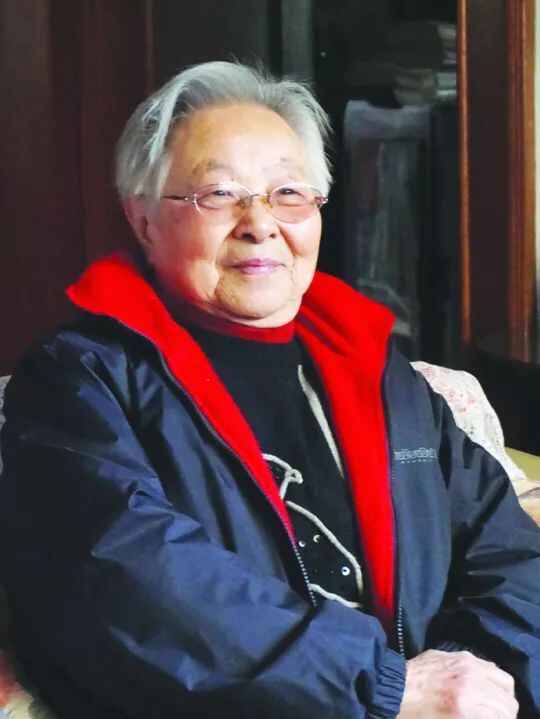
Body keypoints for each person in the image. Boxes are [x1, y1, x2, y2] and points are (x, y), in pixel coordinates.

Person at [0, 61, 539, 719]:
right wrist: (390, 690)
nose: (260, 222)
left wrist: (478, 681)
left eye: (288, 192)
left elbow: (508, 549)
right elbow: (135, 586)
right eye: (218, 194)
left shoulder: (377, 370)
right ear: (143, 219)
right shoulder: (78, 381)